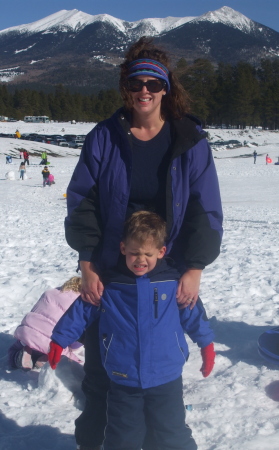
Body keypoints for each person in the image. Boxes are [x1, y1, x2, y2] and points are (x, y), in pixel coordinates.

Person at [64, 36, 223, 449]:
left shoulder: (189, 140)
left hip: (166, 273)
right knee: (102, 378)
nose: (144, 92)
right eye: (136, 84)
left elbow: (206, 210)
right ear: (126, 88)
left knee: (160, 382)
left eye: (153, 84)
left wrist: (194, 268)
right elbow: (82, 202)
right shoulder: (104, 138)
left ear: (166, 88)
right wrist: (87, 264)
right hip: (111, 270)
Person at [49, 211, 215, 450]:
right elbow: (83, 310)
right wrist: (59, 339)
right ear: (123, 248)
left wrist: (206, 344)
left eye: (148, 254)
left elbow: (192, 313)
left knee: (172, 432)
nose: (141, 259)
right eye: (135, 252)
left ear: (161, 252)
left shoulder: (172, 283)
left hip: (166, 374)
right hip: (123, 375)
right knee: (122, 436)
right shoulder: (111, 284)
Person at [8, 277, 84, 370]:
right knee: (70, 360)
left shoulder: (51, 292)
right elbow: (75, 331)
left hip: (27, 332)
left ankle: (22, 355)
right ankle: (45, 360)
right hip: (52, 341)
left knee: (14, 350)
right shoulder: (80, 303)